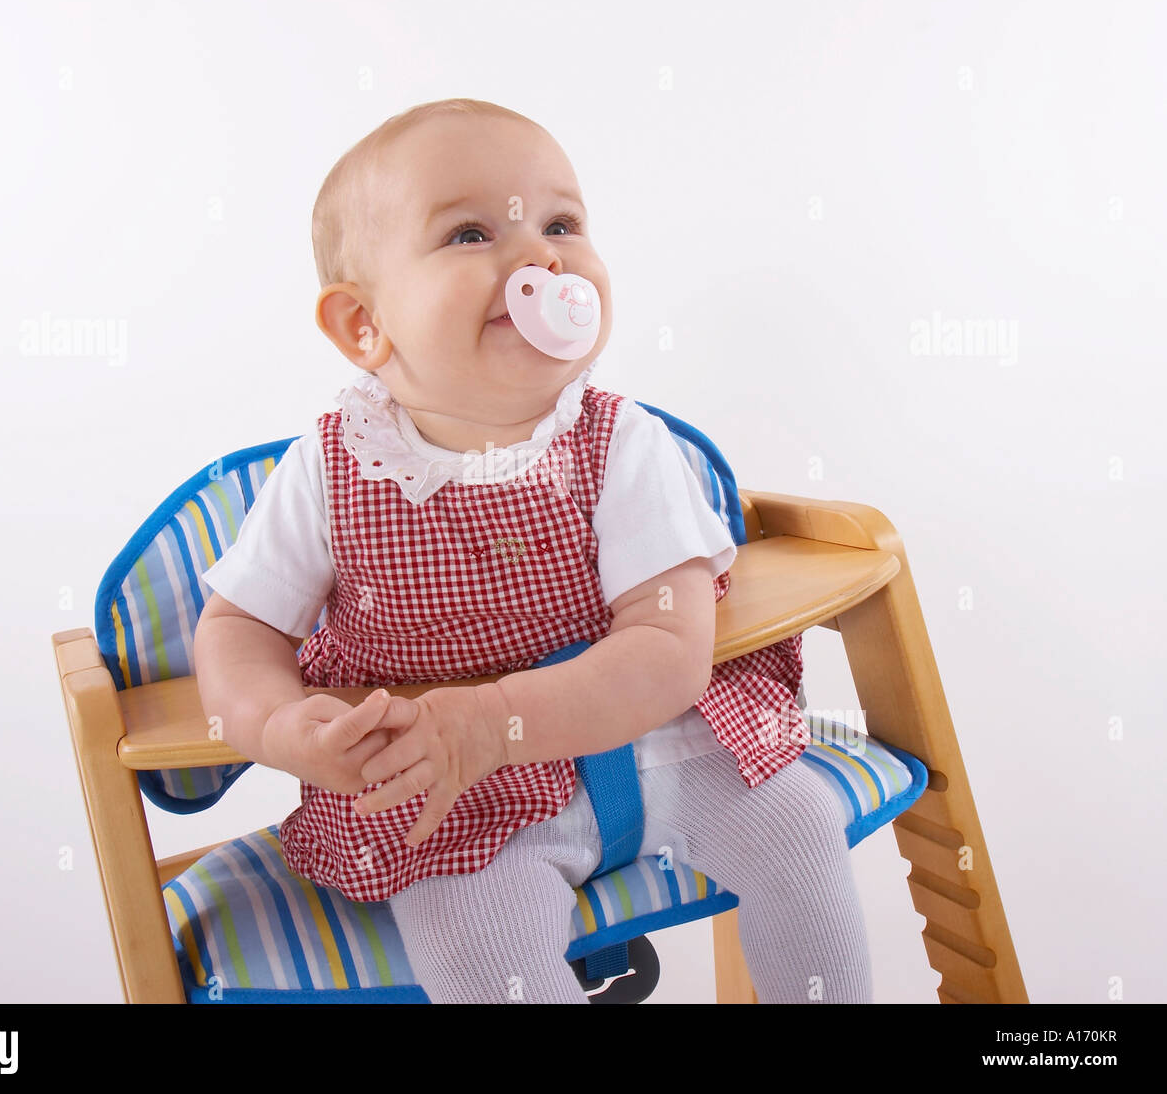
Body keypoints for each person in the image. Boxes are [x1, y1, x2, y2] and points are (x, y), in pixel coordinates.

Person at [192, 98, 872, 1003]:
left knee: (796, 825)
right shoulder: (328, 469)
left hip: (668, 747)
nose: (540, 257)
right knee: (475, 948)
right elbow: (237, 626)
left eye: (562, 224)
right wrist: (278, 723)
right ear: (365, 326)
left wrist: (490, 720)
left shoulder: (623, 444)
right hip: (462, 807)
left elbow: (668, 655)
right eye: (472, 234)